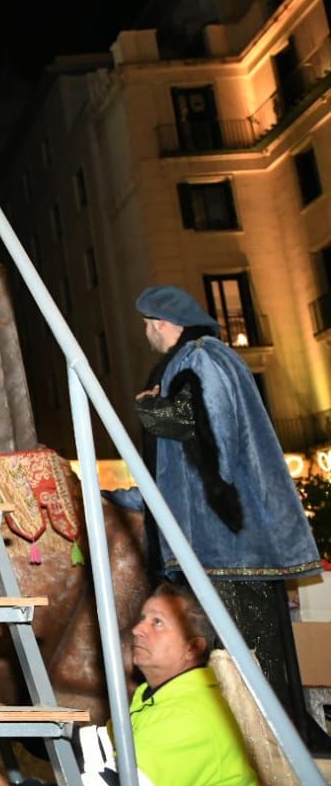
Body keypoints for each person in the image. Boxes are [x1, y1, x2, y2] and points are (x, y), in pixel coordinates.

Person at [130, 284, 324, 744]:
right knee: (238, 656)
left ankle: (273, 747)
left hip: (229, 544)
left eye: (146, 325)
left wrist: (150, 410)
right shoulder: (204, 357)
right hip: (226, 543)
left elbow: (205, 427)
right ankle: (257, 743)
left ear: (161, 323)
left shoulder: (201, 357)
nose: (145, 334)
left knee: (247, 656)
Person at [0, 584, 258, 786]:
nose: (138, 629)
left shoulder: (192, 718)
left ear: (193, 647)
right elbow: (95, 748)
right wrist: (19, 724)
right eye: (143, 619)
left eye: (157, 623)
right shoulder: (156, 697)